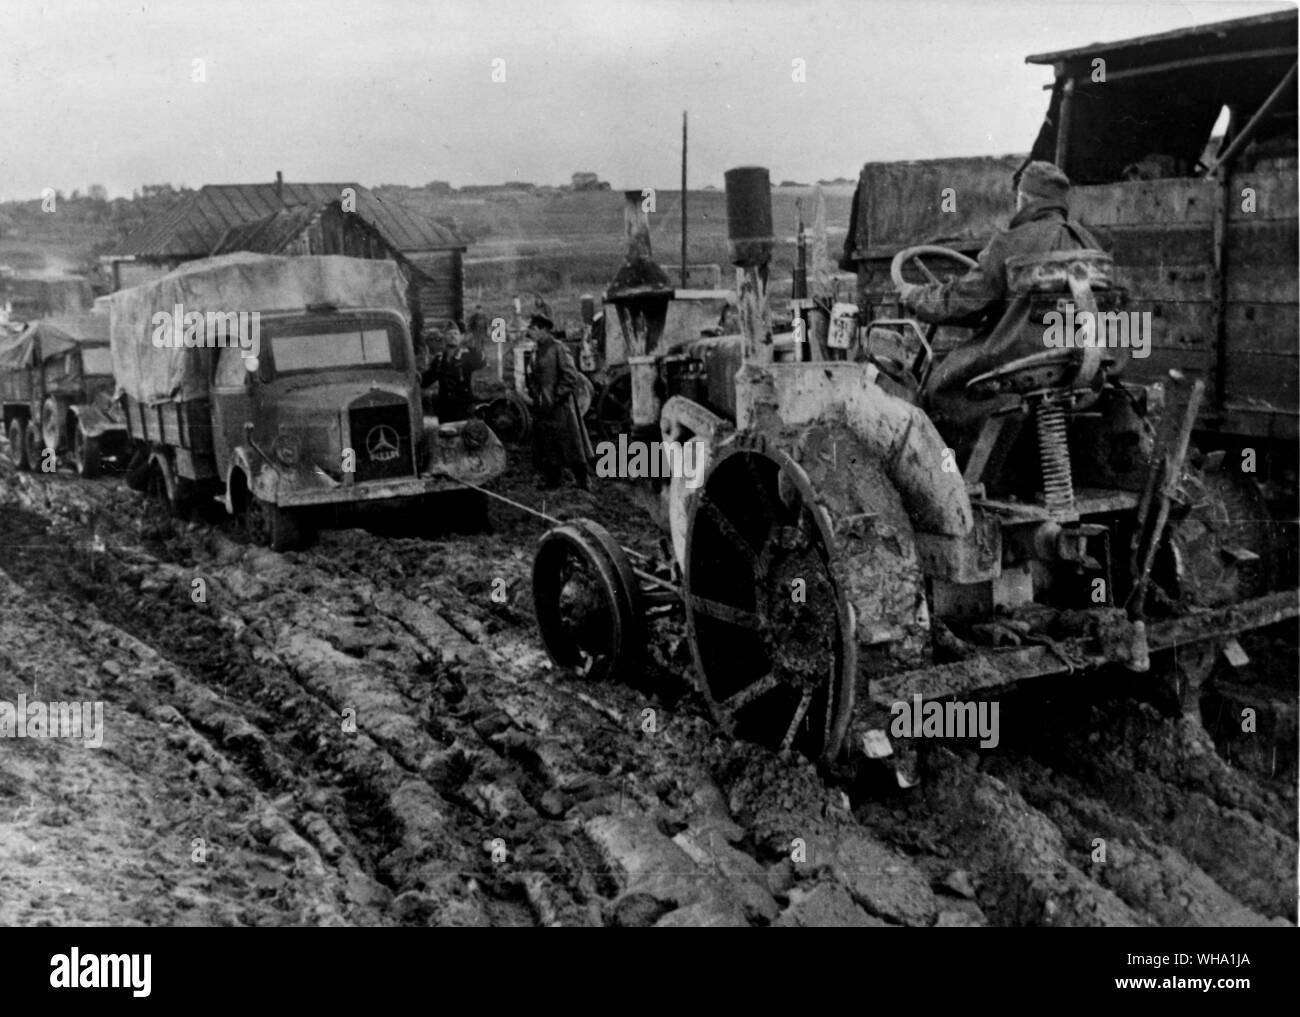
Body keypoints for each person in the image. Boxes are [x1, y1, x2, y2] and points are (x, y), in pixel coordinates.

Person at [897, 160, 1103, 457]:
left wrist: (914, 295)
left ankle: (951, 474)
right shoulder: (1088, 242)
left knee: (939, 388)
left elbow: (962, 301)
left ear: (1024, 199)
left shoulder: (1011, 242)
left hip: (1022, 356)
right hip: (1078, 359)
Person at [526, 313, 592, 490]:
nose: (530, 332)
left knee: (570, 444)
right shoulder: (535, 351)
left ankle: (583, 481)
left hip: (560, 407)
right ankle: (552, 481)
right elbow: (531, 376)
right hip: (542, 407)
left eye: (533, 329)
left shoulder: (558, 348)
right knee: (546, 445)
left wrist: (556, 397)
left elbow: (571, 376)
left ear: (543, 330)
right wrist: (535, 393)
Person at [425, 323, 485, 422]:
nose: (453, 336)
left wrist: (473, 347)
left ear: (460, 338)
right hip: (445, 409)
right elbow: (427, 379)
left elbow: (480, 363)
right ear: (445, 337)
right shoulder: (439, 359)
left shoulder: (467, 355)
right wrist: (417, 377)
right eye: (450, 334)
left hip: (464, 408)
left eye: (456, 334)